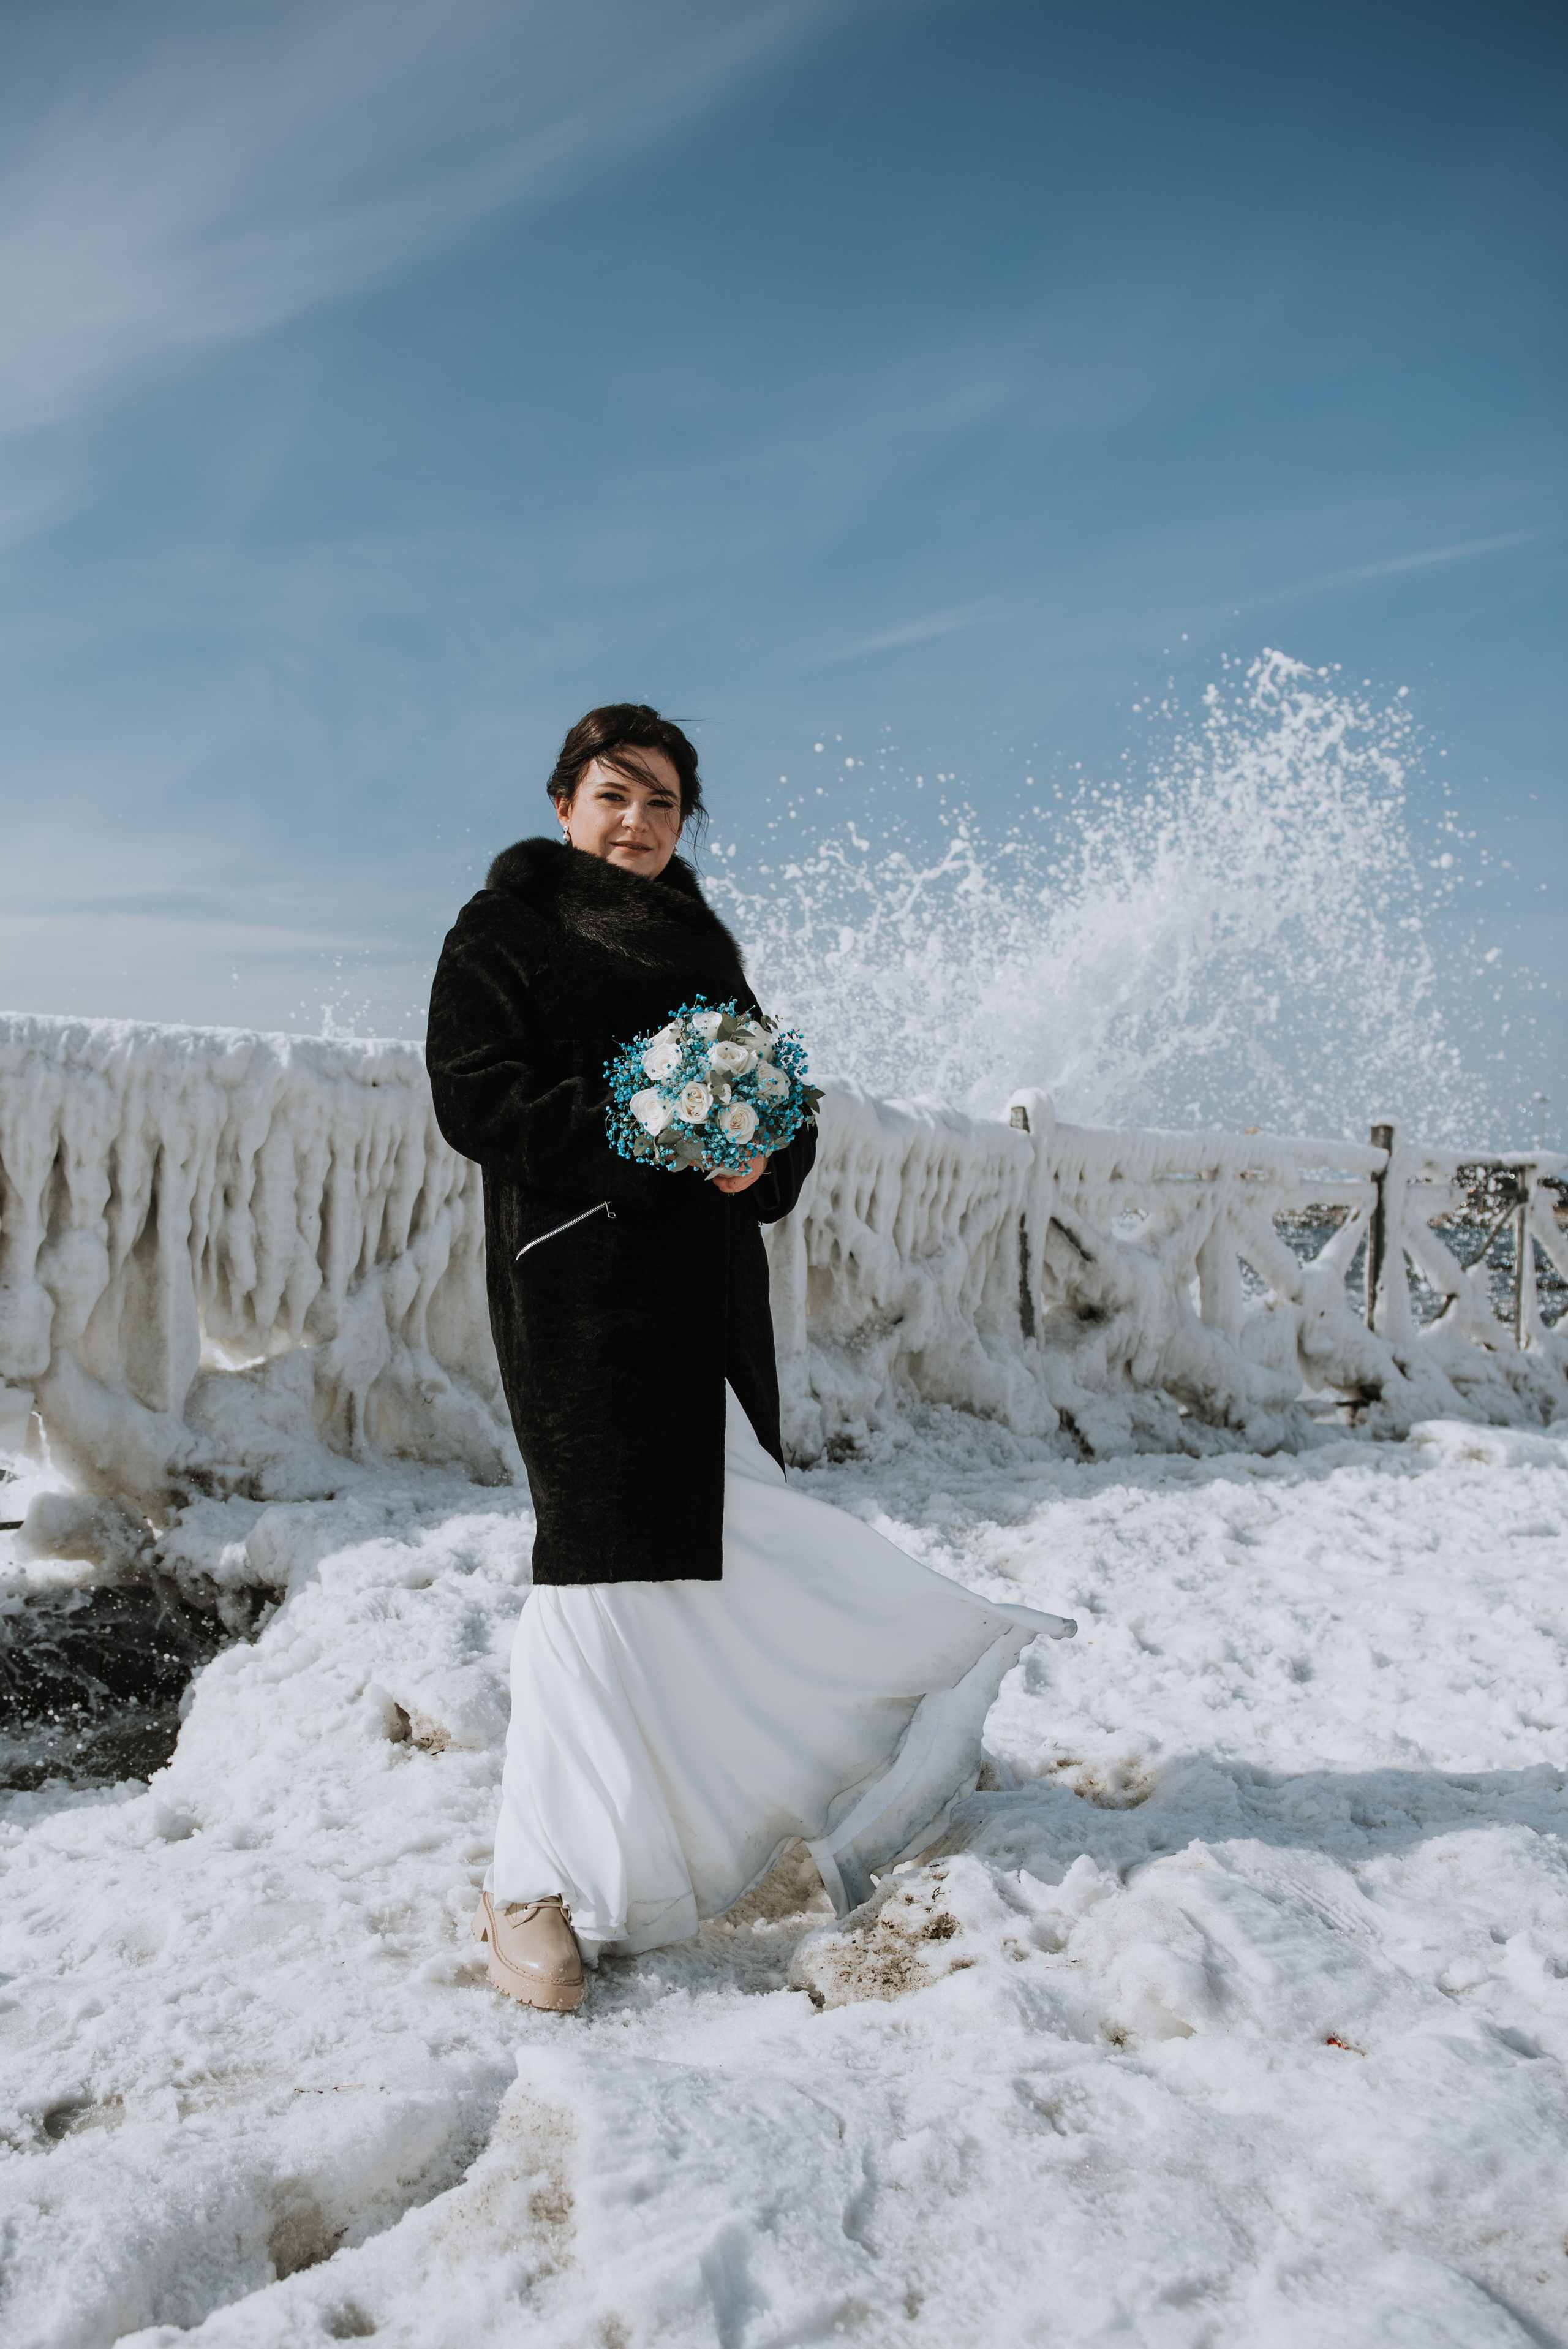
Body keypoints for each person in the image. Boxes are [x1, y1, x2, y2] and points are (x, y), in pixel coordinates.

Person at [426, 704, 1070, 2011]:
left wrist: (759, 1151)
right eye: (615, 795)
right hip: (581, 1296)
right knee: (596, 1574)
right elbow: (473, 1095)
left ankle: (846, 1746)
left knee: (736, 1539)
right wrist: (641, 1126)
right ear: (563, 802)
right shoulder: (506, 927)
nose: (639, 822)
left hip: (705, 1301)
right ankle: (525, 1888)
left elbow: (778, 1097)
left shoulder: (700, 943)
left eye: (664, 804)